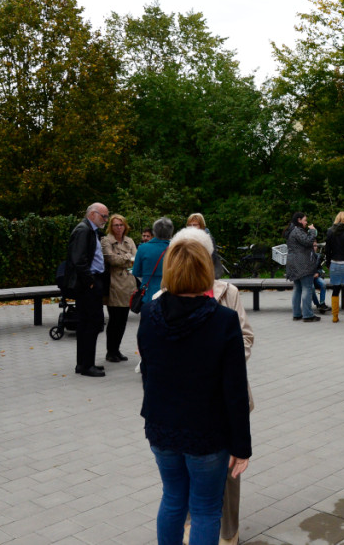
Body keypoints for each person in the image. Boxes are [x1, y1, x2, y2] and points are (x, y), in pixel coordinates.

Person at [137, 238, 251, 545]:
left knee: (173, 498)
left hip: (162, 427)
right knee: (204, 508)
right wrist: (242, 446)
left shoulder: (149, 313)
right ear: (206, 270)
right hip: (207, 432)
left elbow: (148, 371)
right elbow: (235, 389)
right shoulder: (223, 320)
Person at [171, 227, 255, 545]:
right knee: (185, 469)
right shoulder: (165, 297)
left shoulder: (227, 292)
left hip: (225, 395)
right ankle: (192, 523)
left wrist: (222, 361)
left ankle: (228, 530)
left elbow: (245, 336)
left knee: (228, 469)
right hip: (184, 401)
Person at [64, 203, 110, 377]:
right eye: (103, 216)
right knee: (92, 323)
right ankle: (86, 365)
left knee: (86, 324)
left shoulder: (90, 231)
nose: (106, 220)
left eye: (106, 216)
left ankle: (83, 363)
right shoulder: (84, 230)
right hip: (88, 283)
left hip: (91, 281)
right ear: (92, 215)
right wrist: (90, 282)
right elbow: (78, 259)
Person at [101, 214, 137, 363]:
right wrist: (128, 257)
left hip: (129, 283)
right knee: (114, 319)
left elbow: (136, 258)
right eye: (116, 225)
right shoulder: (106, 240)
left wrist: (126, 259)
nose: (119, 227)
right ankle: (111, 351)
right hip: (114, 284)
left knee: (123, 319)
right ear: (111, 226)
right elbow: (111, 259)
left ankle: (117, 350)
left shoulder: (129, 240)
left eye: (121, 225)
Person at [283, 212, 318, 322]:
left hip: (293, 264)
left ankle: (297, 314)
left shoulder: (291, 230)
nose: (306, 222)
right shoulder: (297, 230)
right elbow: (308, 242)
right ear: (299, 220)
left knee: (297, 288)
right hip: (302, 264)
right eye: (305, 220)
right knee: (307, 288)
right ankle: (308, 315)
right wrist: (313, 231)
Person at [133, 218, 173, 304]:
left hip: (148, 293)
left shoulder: (143, 248)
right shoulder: (175, 249)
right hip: (170, 293)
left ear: (154, 232)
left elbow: (136, 272)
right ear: (170, 232)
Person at [186, 213, 223, 279]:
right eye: (190, 225)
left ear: (201, 225)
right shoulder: (186, 239)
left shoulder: (208, 239)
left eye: (194, 225)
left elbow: (212, 258)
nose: (192, 227)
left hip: (205, 274)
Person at [310, 240, 331, 314]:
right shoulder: (305, 257)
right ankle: (317, 304)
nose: (315, 247)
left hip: (316, 277)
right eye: (313, 246)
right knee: (312, 288)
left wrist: (318, 273)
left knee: (323, 284)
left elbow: (320, 269)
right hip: (308, 278)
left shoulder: (317, 256)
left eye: (316, 246)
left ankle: (322, 303)